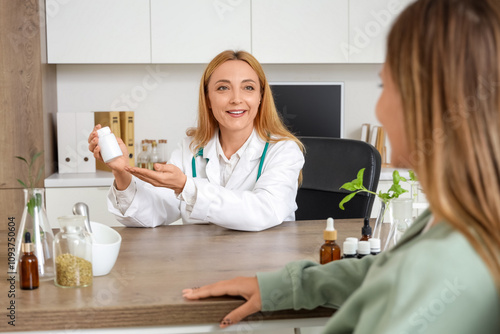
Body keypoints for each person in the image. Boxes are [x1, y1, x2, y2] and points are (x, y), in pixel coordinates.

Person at [182, 0, 500, 332]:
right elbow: (384, 271)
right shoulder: (455, 220)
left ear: (429, 100)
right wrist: (283, 287)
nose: (378, 109)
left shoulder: (447, 263)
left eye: (385, 86)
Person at [88, 50, 305, 231]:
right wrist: (121, 172)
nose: (236, 98)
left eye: (248, 87)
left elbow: (263, 211)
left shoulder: (284, 150)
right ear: (208, 99)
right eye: (223, 88)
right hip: (203, 267)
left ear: (260, 97)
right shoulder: (190, 149)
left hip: (266, 270)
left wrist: (186, 187)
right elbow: (154, 213)